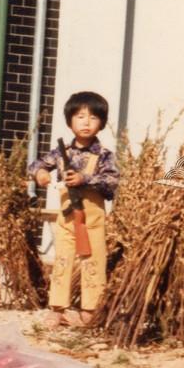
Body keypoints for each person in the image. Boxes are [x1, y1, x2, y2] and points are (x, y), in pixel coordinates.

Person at [29, 91, 120, 329]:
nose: (86, 122)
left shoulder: (104, 155)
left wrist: (84, 179)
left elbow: (111, 181)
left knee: (93, 261)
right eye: (80, 116)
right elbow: (37, 164)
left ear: (101, 122)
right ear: (70, 121)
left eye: (93, 117)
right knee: (62, 260)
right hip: (67, 218)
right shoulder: (61, 152)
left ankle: (90, 310)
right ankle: (57, 309)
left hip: (92, 219)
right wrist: (40, 174)